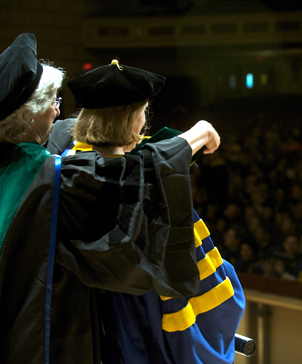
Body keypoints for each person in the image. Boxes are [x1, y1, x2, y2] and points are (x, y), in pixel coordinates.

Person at [0, 34, 218, 363]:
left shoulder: (11, 163)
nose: (58, 112)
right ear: (29, 116)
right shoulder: (47, 176)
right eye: (52, 103)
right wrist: (195, 135)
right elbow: (122, 176)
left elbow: (83, 144)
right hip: (41, 336)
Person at [65, 60, 244, 363]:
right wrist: (200, 131)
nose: (143, 121)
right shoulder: (111, 172)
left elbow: (149, 153)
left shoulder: (70, 156)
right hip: (138, 298)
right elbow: (146, 165)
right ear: (127, 117)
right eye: (141, 112)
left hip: (96, 299)